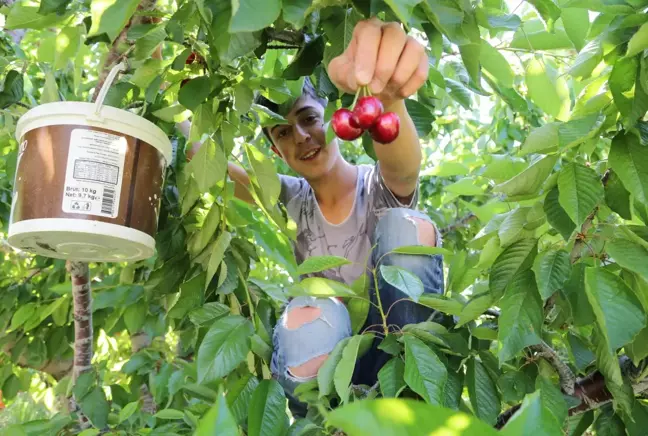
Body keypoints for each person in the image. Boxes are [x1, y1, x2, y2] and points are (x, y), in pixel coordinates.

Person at [181, 18, 445, 415]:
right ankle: (323, 420)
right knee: (308, 305)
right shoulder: (289, 198)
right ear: (275, 151)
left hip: (400, 350)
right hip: (331, 369)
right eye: (283, 133)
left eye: (308, 119)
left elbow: (403, 166)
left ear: (334, 118)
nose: (301, 137)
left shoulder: (377, 187)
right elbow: (206, 160)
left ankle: (415, 393)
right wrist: (174, 94)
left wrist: (386, 98)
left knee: (405, 225)